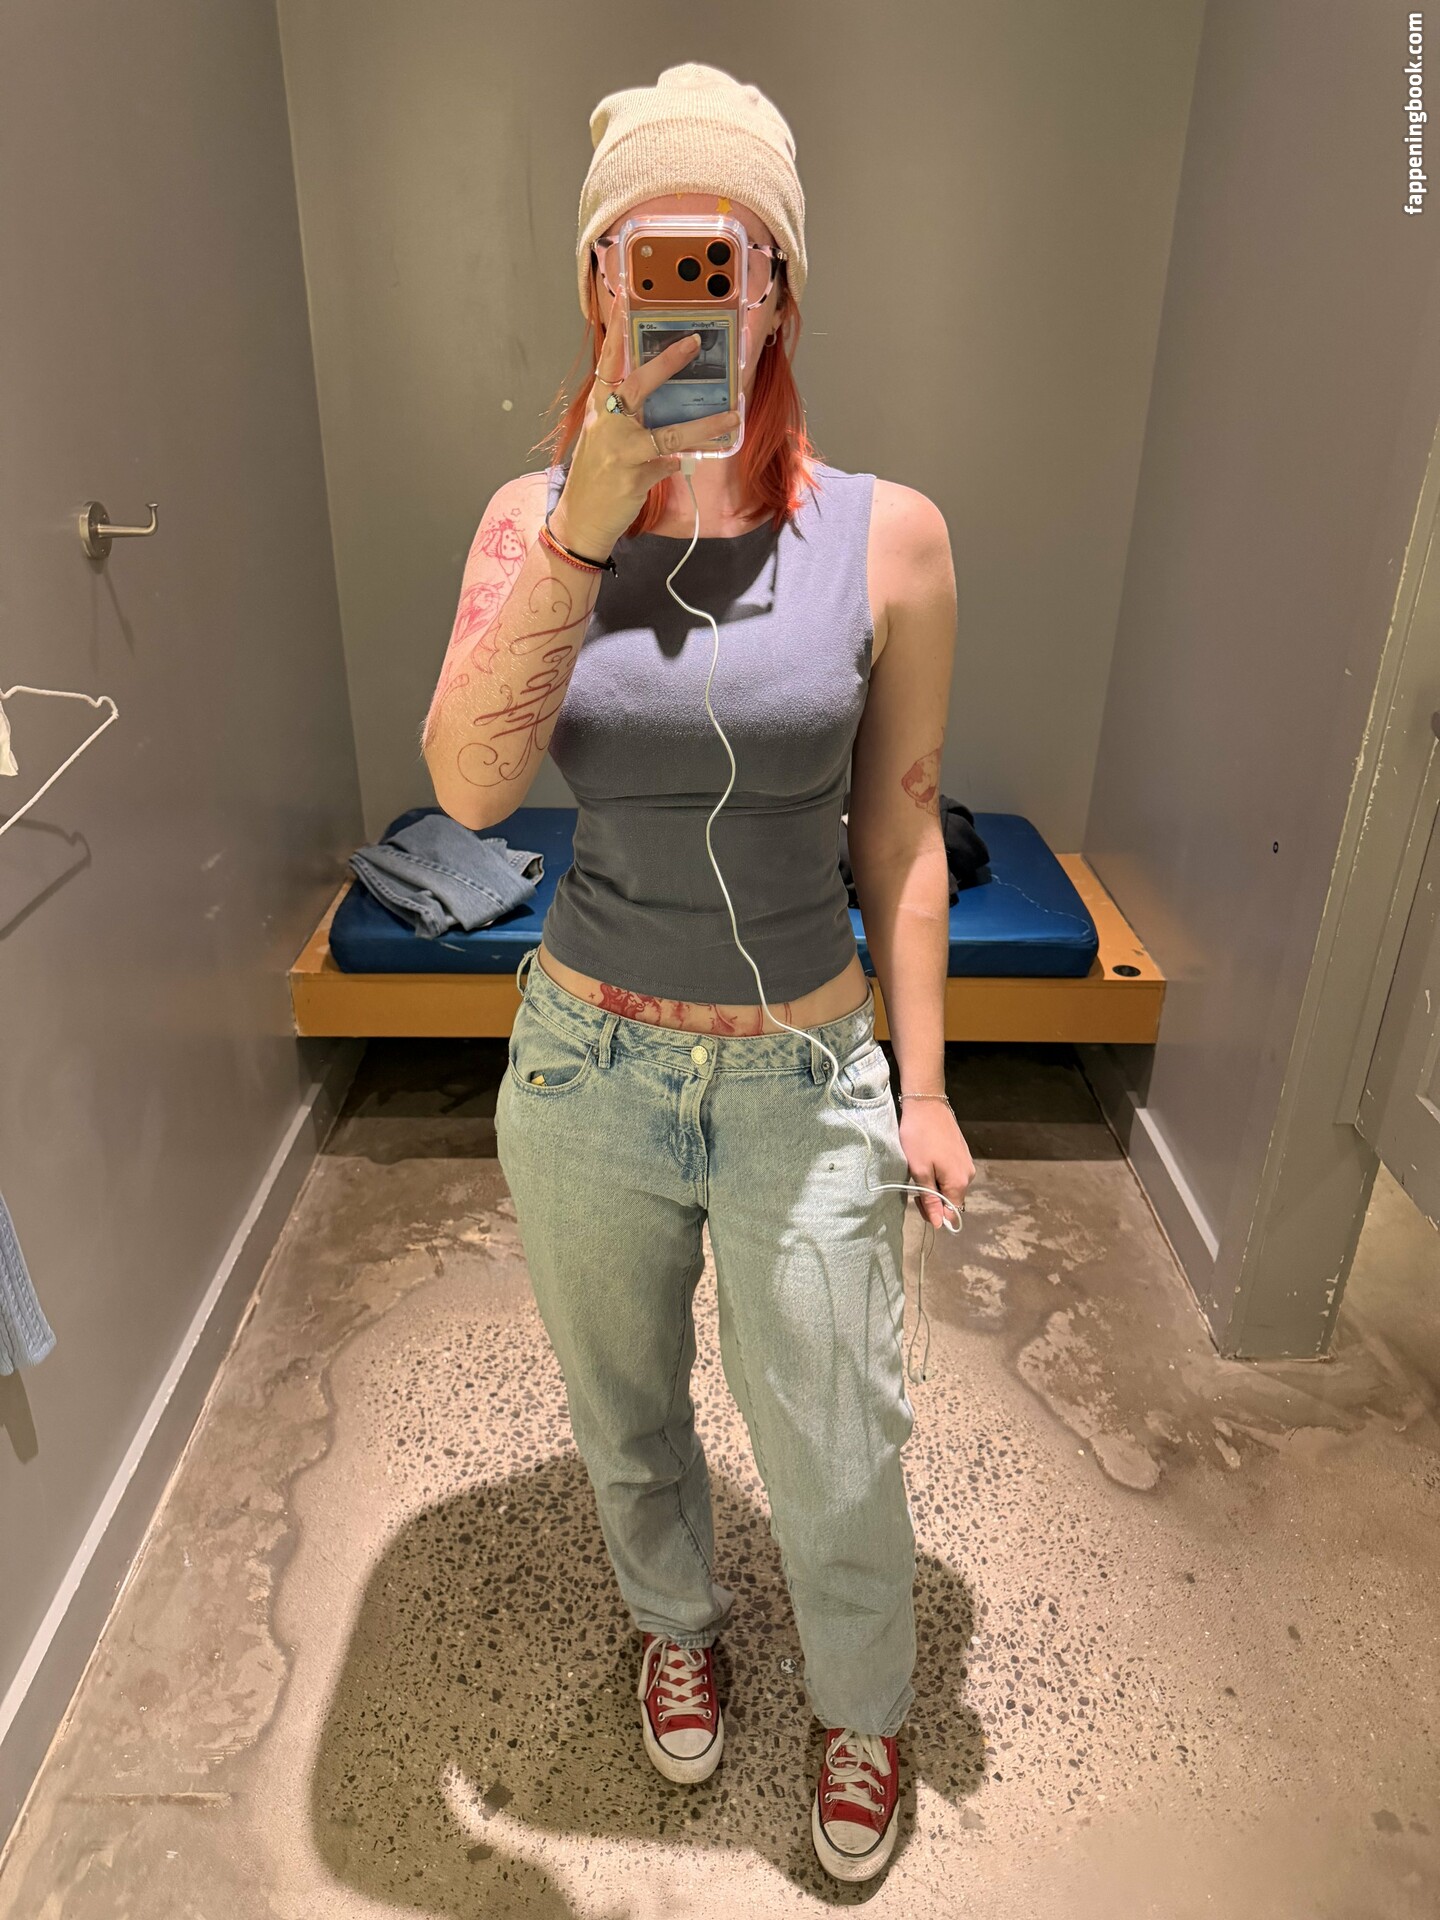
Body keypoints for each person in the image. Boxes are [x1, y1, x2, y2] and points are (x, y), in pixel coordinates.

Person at [420, 62, 974, 1884]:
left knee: (838, 1434)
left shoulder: (892, 536)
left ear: (780, 289)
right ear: (595, 283)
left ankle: (863, 1704)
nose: (681, 300)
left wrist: (928, 1088)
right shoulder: (529, 520)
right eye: (642, 260)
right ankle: (677, 1622)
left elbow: (903, 839)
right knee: (626, 1411)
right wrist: (588, 516)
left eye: (722, 263)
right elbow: (468, 788)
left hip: (804, 1073)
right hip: (586, 1064)